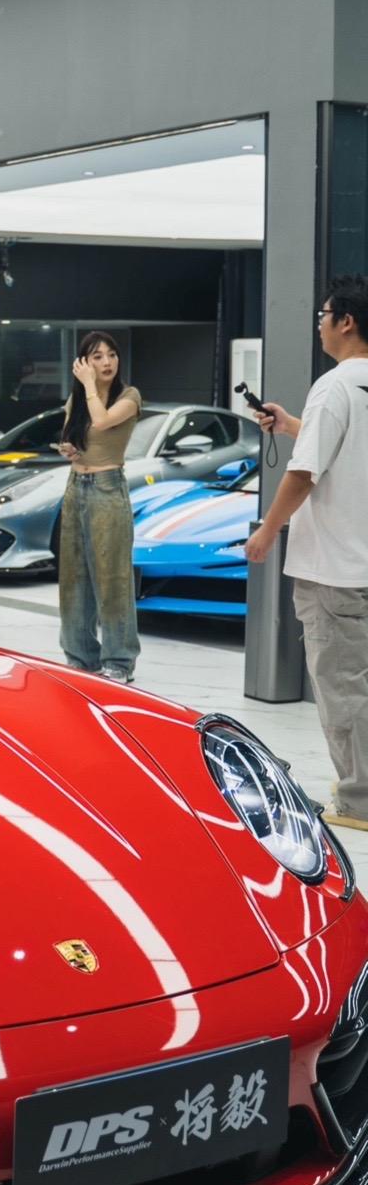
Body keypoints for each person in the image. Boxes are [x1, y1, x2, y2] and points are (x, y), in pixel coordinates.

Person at [244, 274, 368, 832]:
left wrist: (268, 530)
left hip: (334, 567)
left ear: (346, 321)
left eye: (323, 315)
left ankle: (359, 800)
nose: (319, 325)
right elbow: (344, 452)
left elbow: (304, 472)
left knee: (343, 687)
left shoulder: (335, 386)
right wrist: (293, 425)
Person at [54, 331, 142, 685]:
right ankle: (79, 658)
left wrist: (89, 385)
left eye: (111, 355)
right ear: (84, 362)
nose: (107, 362)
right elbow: (70, 439)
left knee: (113, 577)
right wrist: (69, 449)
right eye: (97, 357)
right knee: (73, 577)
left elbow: (103, 421)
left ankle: (119, 661)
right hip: (76, 486)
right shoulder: (77, 400)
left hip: (108, 488)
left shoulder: (129, 396)